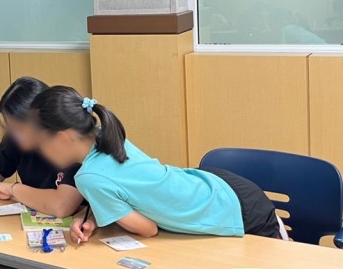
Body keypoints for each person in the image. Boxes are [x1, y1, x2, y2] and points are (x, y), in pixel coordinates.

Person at [28, 86, 283, 243]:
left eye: (41, 143)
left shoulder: (88, 177)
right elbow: (127, 191)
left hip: (237, 212)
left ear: (63, 138)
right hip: (220, 188)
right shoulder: (107, 135)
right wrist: (96, 216)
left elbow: (148, 229)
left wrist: (105, 213)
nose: (41, 151)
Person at [0, 77, 83, 218]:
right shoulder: (15, 139)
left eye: (20, 129)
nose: (14, 135)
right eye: (10, 129)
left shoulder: (69, 145)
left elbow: (61, 206)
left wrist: (12, 189)